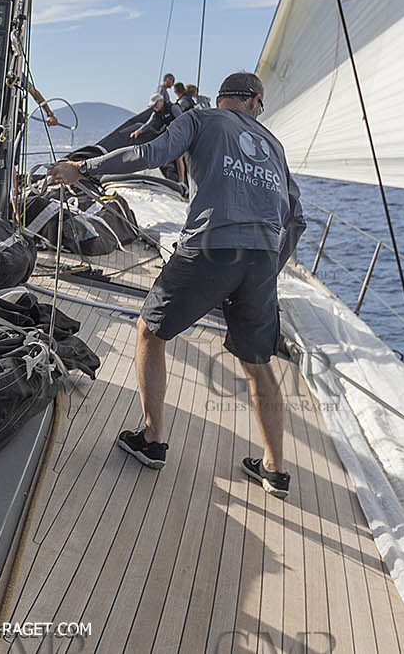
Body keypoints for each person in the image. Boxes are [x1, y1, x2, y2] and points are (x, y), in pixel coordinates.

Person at [47, 72, 305, 499]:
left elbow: (151, 152)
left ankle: (152, 439)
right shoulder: (274, 146)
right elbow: (296, 218)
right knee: (259, 363)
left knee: (150, 331)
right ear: (254, 101)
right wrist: (269, 270)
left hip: (211, 247)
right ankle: (275, 470)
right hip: (261, 258)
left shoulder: (202, 119)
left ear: (221, 99)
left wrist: (83, 167)